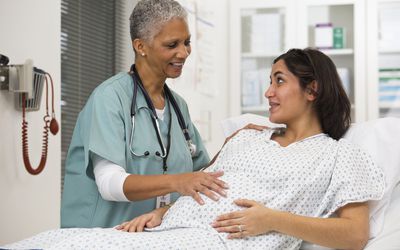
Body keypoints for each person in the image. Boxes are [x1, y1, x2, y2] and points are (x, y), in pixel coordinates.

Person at [113, 48, 385, 249]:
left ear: (312, 90)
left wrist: (272, 220)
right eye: (269, 81)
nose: (268, 92)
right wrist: (162, 213)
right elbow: (203, 186)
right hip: (168, 232)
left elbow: (354, 234)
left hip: (218, 242)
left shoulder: (339, 155)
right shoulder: (246, 138)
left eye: (279, 80)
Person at [61, 0, 229, 228]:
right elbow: (109, 183)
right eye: (172, 45)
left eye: (187, 42)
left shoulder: (178, 107)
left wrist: (237, 142)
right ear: (140, 46)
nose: (184, 52)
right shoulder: (110, 98)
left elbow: (201, 174)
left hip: (154, 237)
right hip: (103, 236)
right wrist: (177, 182)